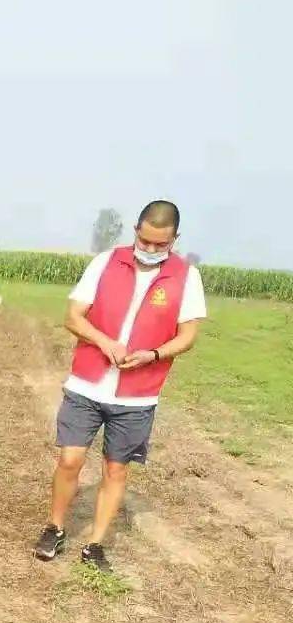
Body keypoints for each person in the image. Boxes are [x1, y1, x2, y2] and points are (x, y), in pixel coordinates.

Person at [33, 200, 205, 572]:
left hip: (138, 394)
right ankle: (55, 527)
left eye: (161, 245)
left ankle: (95, 544)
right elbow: (73, 317)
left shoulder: (186, 277)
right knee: (70, 459)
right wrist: (105, 342)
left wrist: (154, 354)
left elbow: (188, 335)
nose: (152, 250)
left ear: (175, 239)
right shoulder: (107, 262)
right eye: (146, 241)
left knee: (116, 469)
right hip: (87, 384)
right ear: (136, 231)